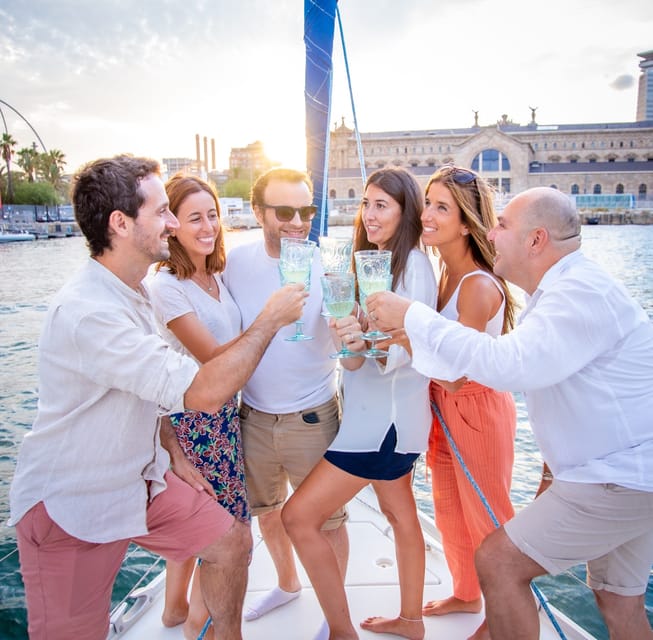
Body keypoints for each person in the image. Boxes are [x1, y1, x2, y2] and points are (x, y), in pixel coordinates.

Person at [7, 155, 306, 640]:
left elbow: (146, 393)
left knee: (230, 543)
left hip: (141, 480)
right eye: (163, 212)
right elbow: (202, 391)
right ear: (121, 224)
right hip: (72, 506)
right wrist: (271, 319)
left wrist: (170, 451)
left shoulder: (136, 291)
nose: (173, 224)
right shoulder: (90, 312)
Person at [366, 186, 653, 640]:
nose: (491, 233)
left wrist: (413, 317)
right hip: (628, 472)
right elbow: (572, 390)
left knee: (498, 559)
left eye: (502, 225)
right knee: (618, 600)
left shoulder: (577, 293)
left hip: (620, 477)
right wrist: (550, 472)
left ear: (536, 240)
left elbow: (511, 365)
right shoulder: (564, 292)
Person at [282, 167, 437, 640]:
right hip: (371, 418)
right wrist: (343, 336)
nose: (369, 214)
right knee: (400, 515)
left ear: (404, 209)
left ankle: (342, 630)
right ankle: (411, 621)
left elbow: (409, 348)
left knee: (297, 517)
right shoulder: (367, 262)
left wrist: (365, 341)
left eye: (381, 205)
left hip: (386, 425)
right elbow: (353, 365)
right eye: (366, 204)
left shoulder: (412, 266)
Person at [221, 167, 350, 631]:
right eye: (285, 211)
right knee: (267, 513)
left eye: (307, 210)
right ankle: (287, 584)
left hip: (312, 419)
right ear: (258, 213)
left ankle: (333, 617)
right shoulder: (236, 262)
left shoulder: (331, 263)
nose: (299, 222)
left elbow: (348, 348)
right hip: (252, 416)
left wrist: (348, 332)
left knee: (328, 523)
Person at [148, 173, 250, 639]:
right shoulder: (168, 284)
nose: (207, 226)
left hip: (225, 416)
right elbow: (213, 356)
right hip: (196, 421)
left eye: (212, 215)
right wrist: (270, 325)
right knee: (220, 531)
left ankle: (174, 609)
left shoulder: (214, 275)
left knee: (201, 524)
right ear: (171, 225)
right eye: (194, 218)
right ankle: (200, 627)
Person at [419, 165, 518, 640]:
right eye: (428, 203)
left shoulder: (477, 285)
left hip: (473, 404)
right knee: (449, 508)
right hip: (443, 405)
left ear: (466, 223)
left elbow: (457, 376)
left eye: (442, 207)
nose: (428, 214)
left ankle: (505, 618)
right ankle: (467, 592)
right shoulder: (443, 274)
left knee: (489, 517)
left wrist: (401, 334)